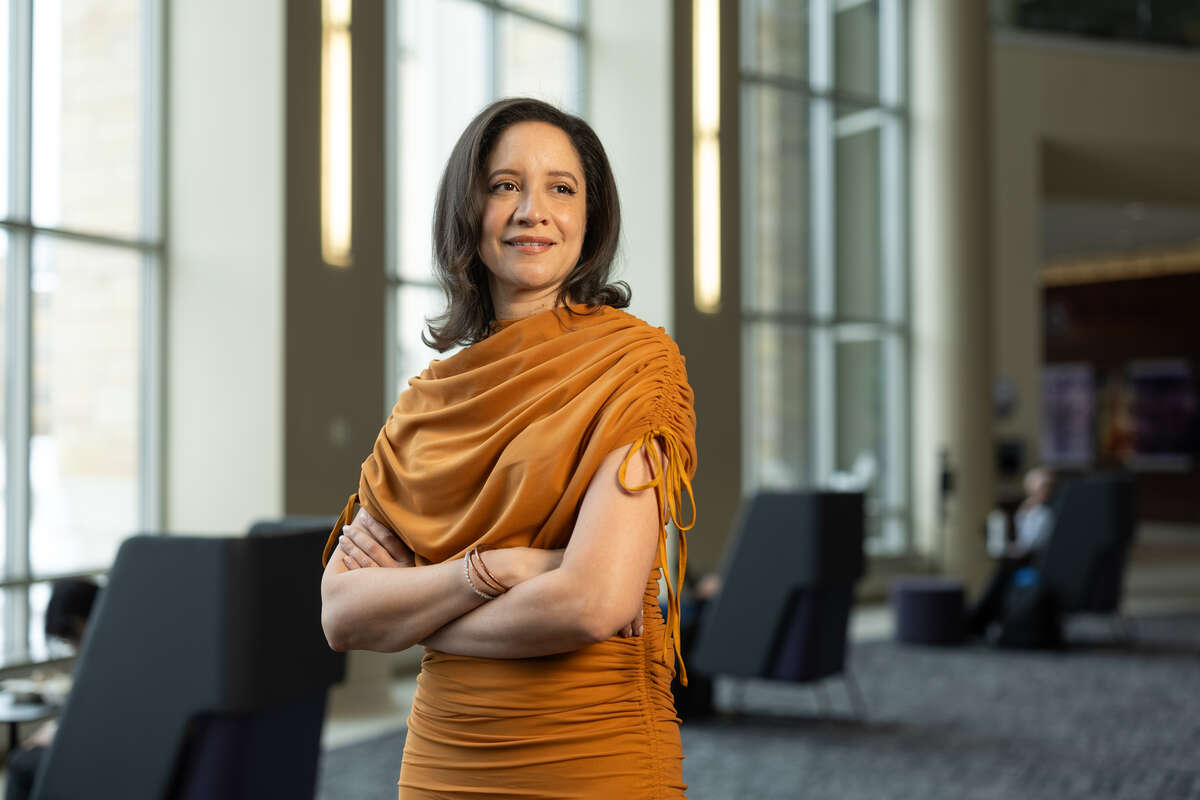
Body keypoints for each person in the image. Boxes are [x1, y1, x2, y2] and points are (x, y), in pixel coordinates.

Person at [320, 97, 697, 798]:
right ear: (468, 210)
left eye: (562, 187)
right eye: (504, 185)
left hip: (593, 757)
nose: (533, 210)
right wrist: (497, 570)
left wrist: (423, 616)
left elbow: (592, 603)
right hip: (446, 763)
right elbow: (342, 614)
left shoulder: (635, 365)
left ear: (590, 217)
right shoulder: (427, 404)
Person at [6, 578, 100, 800]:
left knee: (21, 763)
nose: (75, 646)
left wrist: (56, 734)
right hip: (99, 743)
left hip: (99, 752)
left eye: (73, 637)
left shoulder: (107, 659)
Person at [968, 467, 1055, 638]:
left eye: (1043, 487)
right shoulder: (1027, 510)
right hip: (1026, 558)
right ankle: (980, 620)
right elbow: (1023, 540)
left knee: (1001, 577)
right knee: (1000, 576)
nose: (1039, 491)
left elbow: (1033, 545)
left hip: (1037, 564)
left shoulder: (1046, 513)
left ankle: (978, 620)